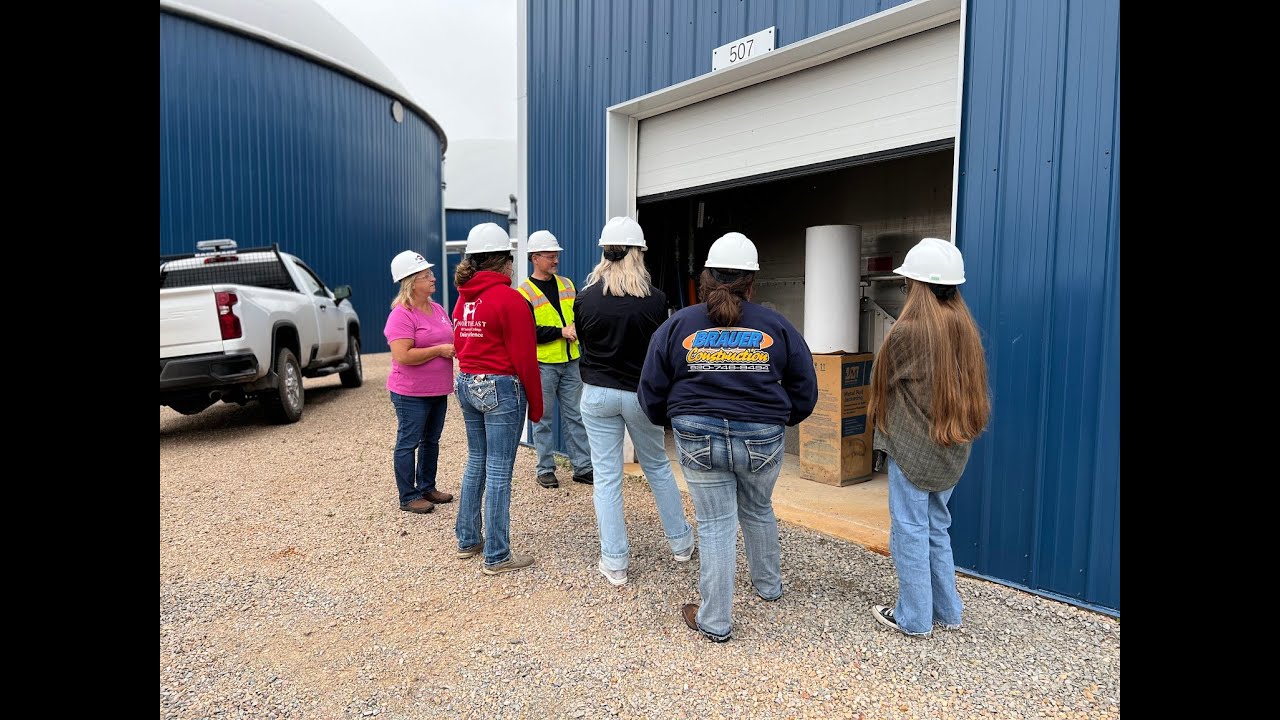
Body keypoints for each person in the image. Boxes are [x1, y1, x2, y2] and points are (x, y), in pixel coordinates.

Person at [639, 232, 817, 642]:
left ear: (706, 279)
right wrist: (782, 419)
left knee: (716, 523)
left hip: (696, 434)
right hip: (761, 436)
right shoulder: (777, 325)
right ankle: (768, 587)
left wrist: (667, 419)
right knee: (758, 508)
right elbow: (805, 387)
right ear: (752, 284)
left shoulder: (678, 324)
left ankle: (715, 621)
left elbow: (651, 388)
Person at [866, 237, 990, 637]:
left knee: (909, 529)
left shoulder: (909, 332)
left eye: (906, 284)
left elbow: (879, 381)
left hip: (914, 451)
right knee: (937, 527)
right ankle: (948, 612)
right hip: (952, 449)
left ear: (915, 287)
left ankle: (914, 617)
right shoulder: (964, 328)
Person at [575, 217, 695, 587]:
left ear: (605, 253)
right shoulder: (656, 301)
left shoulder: (584, 299)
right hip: (639, 394)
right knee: (657, 467)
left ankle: (614, 563)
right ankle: (681, 544)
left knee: (607, 478)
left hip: (596, 393)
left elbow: (584, 343)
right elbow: (660, 351)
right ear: (636, 254)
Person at [452, 223, 545, 575]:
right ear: (505, 262)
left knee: (477, 459)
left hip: (467, 383)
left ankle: (467, 539)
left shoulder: (463, 298)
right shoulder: (510, 300)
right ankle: (497, 554)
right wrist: (536, 405)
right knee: (499, 469)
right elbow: (525, 359)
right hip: (501, 388)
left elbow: (459, 343)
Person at [517, 230, 593, 489]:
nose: (556, 261)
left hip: (571, 361)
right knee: (543, 418)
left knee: (576, 416)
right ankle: (545, 468)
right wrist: (561, 332)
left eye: (556, 256)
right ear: (535, 258)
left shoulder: (568, 285)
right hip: (544, 364)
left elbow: (580, 317)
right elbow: (527, 332)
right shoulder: (524, 293)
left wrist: (576, 327)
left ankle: (583, 467)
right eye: (550, 256)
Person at [383, 251, 456, 514]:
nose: (433, 279)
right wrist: (439, 350)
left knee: (431, 440)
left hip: (437, 389)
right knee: (408, 441)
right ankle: (408, 496)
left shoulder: (436, 309)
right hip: (411, 393)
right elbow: (402, 356)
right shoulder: (402, 315)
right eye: (427, 276)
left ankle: (427, 486)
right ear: (412, 282)